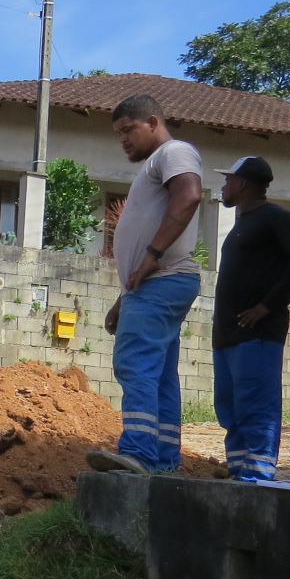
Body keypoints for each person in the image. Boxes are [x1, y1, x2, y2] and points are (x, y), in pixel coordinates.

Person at [87, 94, 205, 475]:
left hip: (163, 278)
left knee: (134, 364)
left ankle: (137, 453)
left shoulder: (174, 152)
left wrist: (151, 256)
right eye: (117, 133)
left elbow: (188, 196)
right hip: (157, 284)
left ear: (152, 122)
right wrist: (125, 296)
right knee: (160, 376)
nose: (122, 139)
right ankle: (164, 462)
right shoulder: (157, 163)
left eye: (128, 130)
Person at [210, 156, 290, 481]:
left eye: (228, 179)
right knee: (231, 410)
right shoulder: (243, 224)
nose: (224, 185)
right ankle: (239, 472)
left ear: (243, 184)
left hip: (257, 334)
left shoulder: (274, 218)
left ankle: (257, 479)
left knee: (257, 408)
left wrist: (268, 305)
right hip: (229, 335)